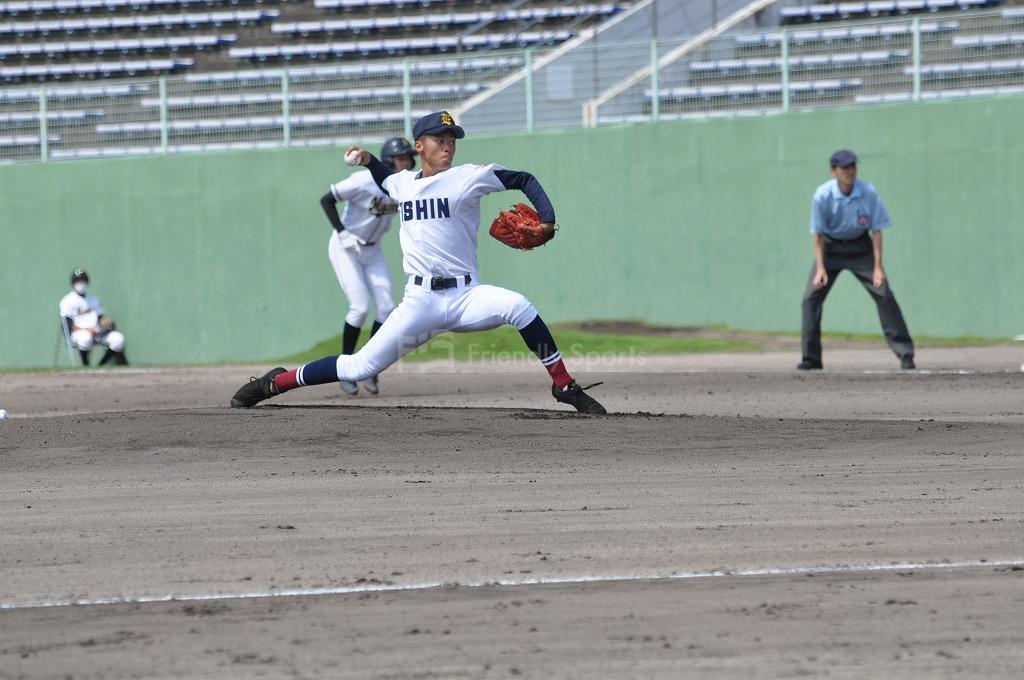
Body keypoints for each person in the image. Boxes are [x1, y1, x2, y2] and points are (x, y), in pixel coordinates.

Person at [232, 110, 606, 414]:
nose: (448, 146)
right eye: (439, 140)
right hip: (420, 302)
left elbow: (523, 178)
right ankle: (275, 382)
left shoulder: (468, 177)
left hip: (466, 296)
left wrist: (548, 218)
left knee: (519, 307)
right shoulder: (403, 184)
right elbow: (385, 177)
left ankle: (563, 385)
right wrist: (366, 160)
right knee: (359, 366)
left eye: (452, 140)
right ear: (419, 145)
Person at [799, 149, 914, 370]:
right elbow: (818, 234)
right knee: (810, 298)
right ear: (833, 171)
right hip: (830, 249)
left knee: (884, 294)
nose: (850, 171)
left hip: (861, 248)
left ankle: (905, 353)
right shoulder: (822, 195)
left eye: (853, 166)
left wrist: (878, 267)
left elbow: (877, 231)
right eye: (844, 167)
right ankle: (811, 358)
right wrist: (821, 268)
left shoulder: (868, 192)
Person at [319, 137, 415, 396]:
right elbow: (327, 200)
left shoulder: (403, 186)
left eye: (408, 158)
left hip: (373, 250)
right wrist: (341, 232)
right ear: (387, 161)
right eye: (400, 158)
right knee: (360, 307)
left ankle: (370, 368)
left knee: (386, 307)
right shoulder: (363, 181)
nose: (405, 163)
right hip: (346, 247)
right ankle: (345, 369)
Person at [58, 267, 128, 366]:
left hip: (97, 332)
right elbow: (67, 325)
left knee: (118, 339)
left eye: (82, 280)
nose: (80, 283)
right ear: (73, 282)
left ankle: (100, 366)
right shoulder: (68, 300)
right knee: (85, 338)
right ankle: (86, 365)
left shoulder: (93, 299)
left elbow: (100, 318)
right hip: (79, 334)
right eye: (78, 280)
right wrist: (88, 330)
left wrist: (107, 322)